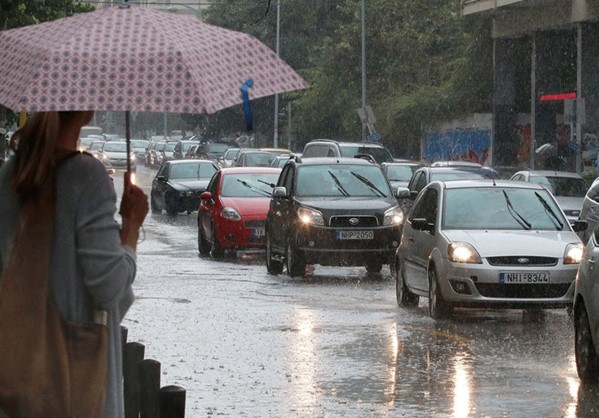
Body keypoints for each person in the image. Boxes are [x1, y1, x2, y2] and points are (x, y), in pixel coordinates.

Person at [0, 111, 148, 417]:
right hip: (71, 381)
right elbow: (110, 289)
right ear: (85, 109)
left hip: (14, 373)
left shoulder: (10, 173)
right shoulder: (86, 176)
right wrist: (131, 227)